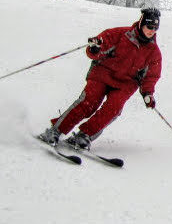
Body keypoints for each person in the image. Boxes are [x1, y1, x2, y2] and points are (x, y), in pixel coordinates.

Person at [37, 8, 163, 149]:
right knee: (89, 101)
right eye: (149, 26)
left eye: (155, 28)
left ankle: (85, 136)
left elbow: (152, 75)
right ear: (141, 24)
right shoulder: (120, 34)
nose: (151, 31)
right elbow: (99, 46)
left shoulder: (154, 52)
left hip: (125, 83)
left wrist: (147, 93)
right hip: (103, 74)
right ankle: (55, 131)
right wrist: (95, 48)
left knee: (114, 108)